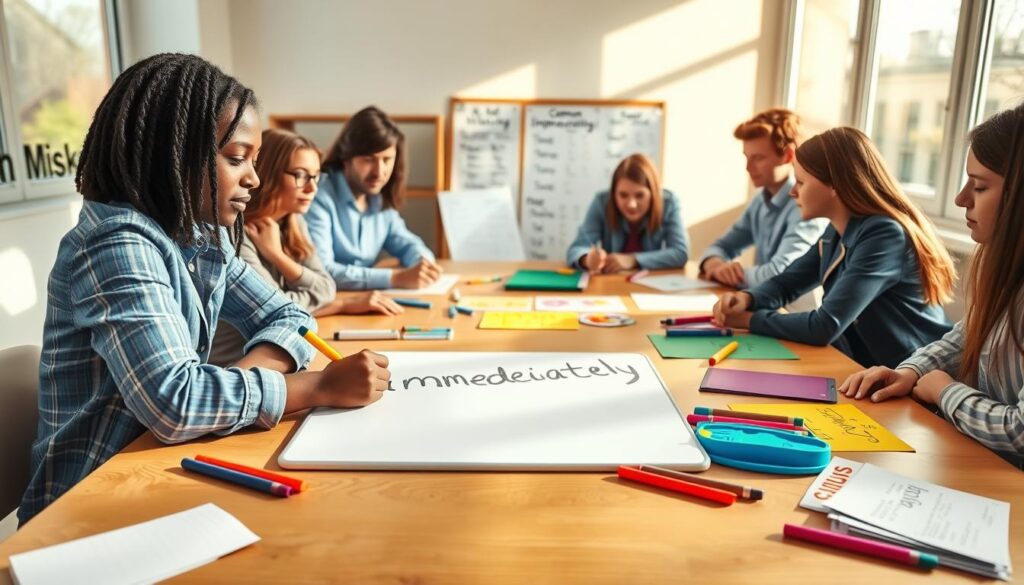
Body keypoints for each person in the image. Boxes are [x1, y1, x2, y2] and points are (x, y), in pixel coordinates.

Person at [19, 54, 389, 525]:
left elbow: (291, 317)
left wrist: (241, 387)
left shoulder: (200, 237)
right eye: (237, 159)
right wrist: (315, 385)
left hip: (154, 471)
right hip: (87, 507)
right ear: (168, 154)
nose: (254, 178)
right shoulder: (115, 243)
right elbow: (177, 403)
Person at [840, 106, 1024, 467]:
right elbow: (968, 335)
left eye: (980, 186)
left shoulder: (882, 232)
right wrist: (911, 372)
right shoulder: (1007, 272)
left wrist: (944, 390)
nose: (961, 199)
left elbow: (1019, 432)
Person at [712, 127, 955, 368]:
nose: (793, 192)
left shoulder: (883, 235)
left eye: (800, 182)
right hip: (866, 370)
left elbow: (824, 326)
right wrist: (747, 298)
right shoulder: (836, 231)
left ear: (834, 185)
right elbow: (788, 282)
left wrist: (749, 319)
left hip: (915, 380)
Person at [209, 129, 402, 365]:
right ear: (267, 173)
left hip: (280, 358)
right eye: (300, 175)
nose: (312, 188)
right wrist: (341, 305)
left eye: (316, 176)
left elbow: (325, 287)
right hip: (235, 366)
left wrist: (278, 256)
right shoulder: (235, 233)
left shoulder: (294, 223)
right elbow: (275, 311)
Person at [306, 106, 441, 290]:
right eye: (368, 159)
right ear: (346, 159)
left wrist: (423, 263)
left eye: (387, 160)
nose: (379, 172)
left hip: (364, 303)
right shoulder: (316, 195)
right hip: (329, 304)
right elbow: (323, 272)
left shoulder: (378, 199)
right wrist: (396, 278)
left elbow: (407, 243)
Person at [699, 108, 827, 289]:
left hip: (793, 313)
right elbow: (722, 246)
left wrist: (730, 275)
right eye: (746, 157)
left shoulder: (806, 205)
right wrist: (714, 264)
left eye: (758, 158)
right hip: (767, 307)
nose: (748, 168)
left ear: (788, 155)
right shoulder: (761, 200)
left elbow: (781, 273)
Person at [565, 153, 689, 273]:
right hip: (611, 283)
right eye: (623, 195)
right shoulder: (601, 202)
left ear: (653, 194)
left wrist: (632, 260)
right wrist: (587, 259)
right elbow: (576, 248)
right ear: (614, 193)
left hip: (648, 284)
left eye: (640, 195)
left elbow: (680, 253)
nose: (631, 204)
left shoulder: (668, 203)